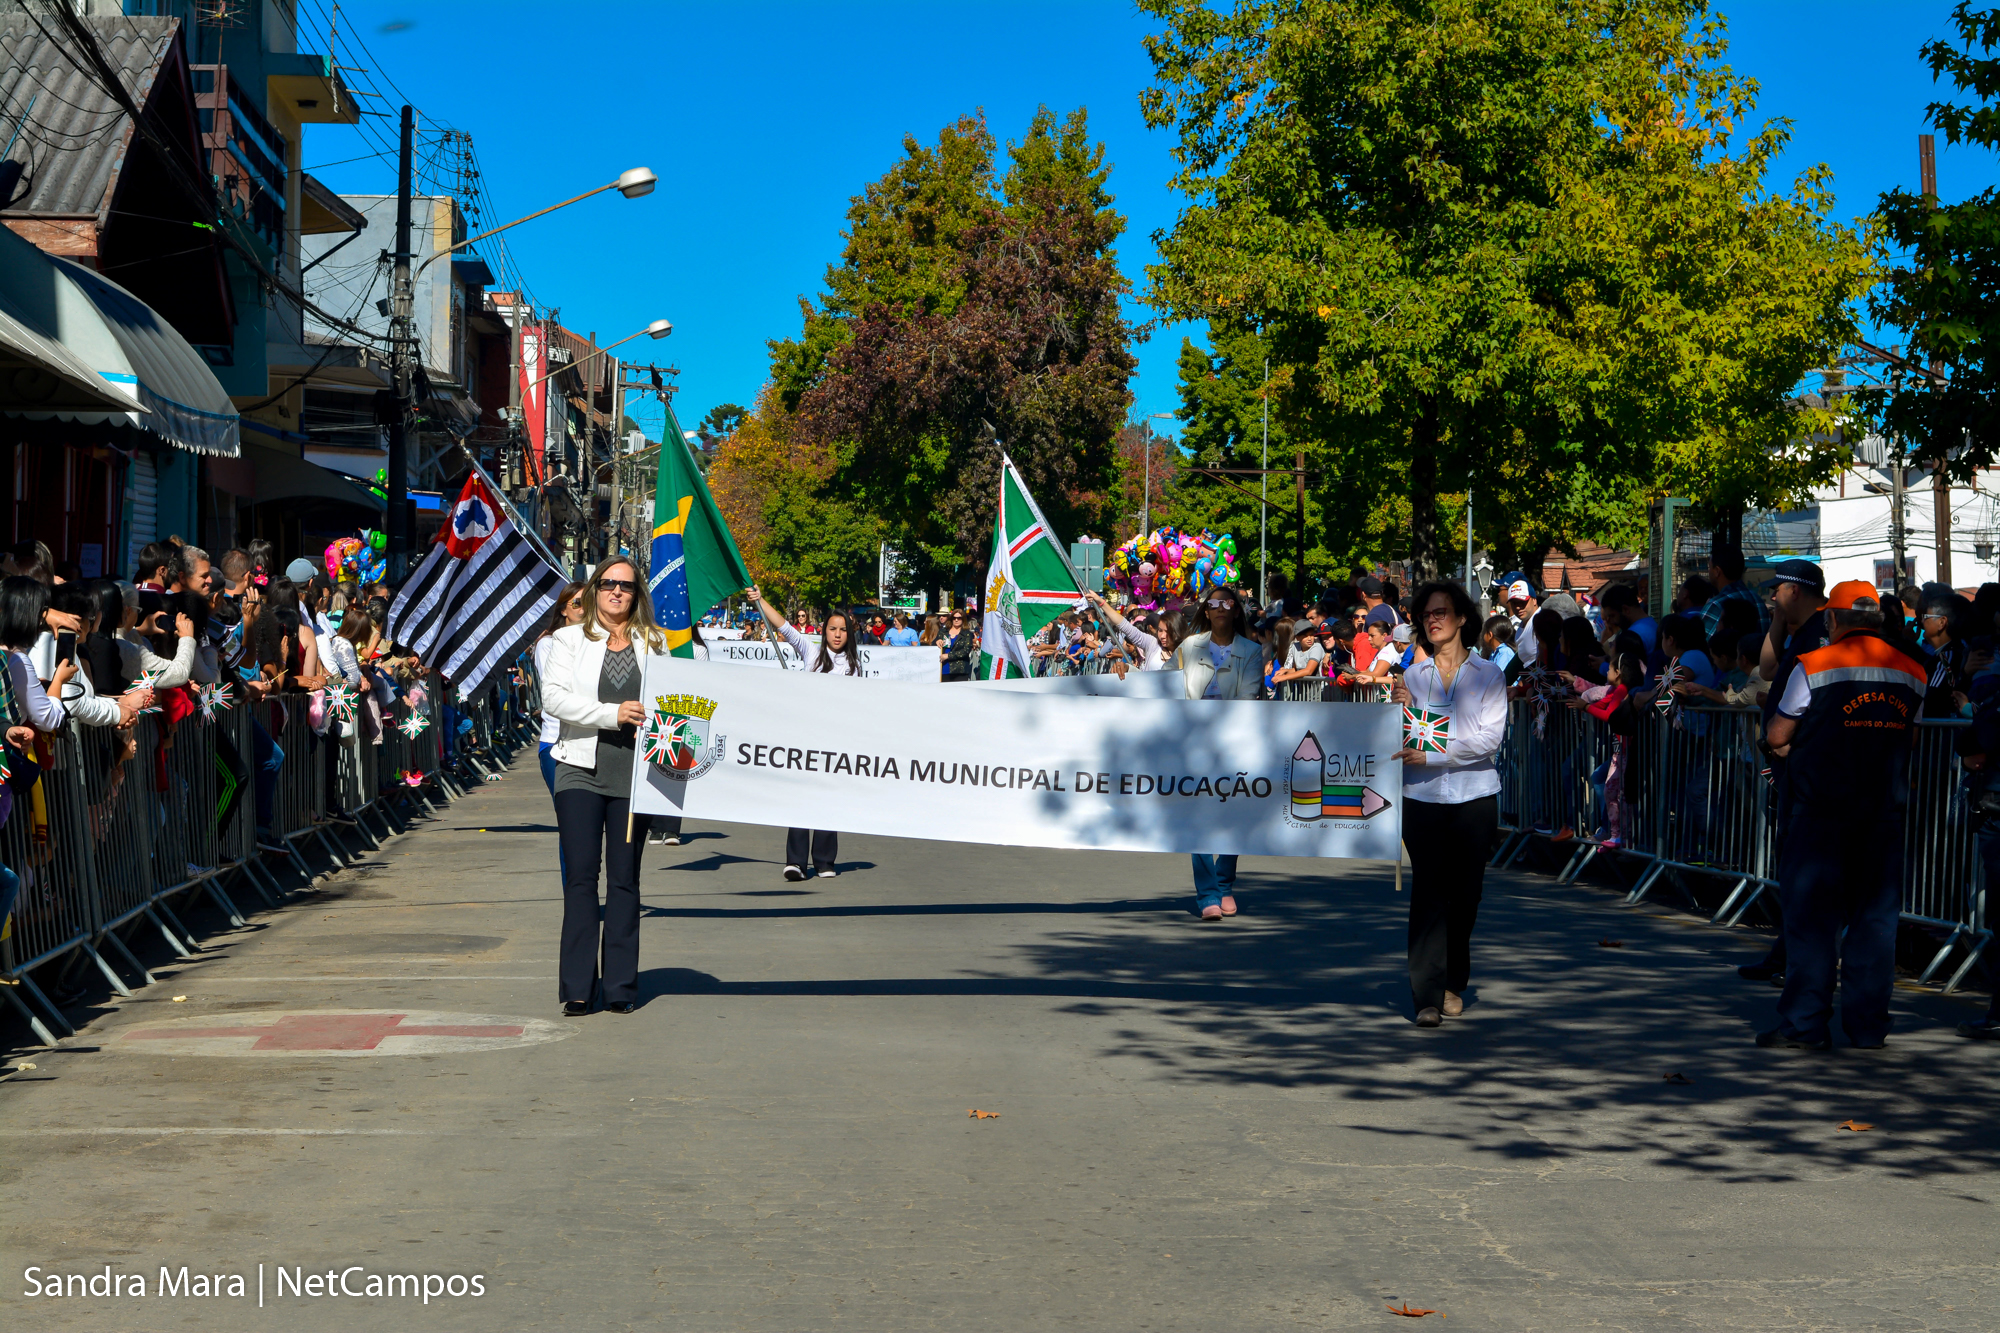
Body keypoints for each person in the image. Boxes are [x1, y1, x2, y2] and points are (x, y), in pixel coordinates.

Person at [1756, 581, 1928, 1050]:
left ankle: (1804, 1025)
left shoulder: (1814, 663)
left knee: (1812, 922)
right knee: (1874, 923)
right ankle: (1868, 1027)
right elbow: (1910, 739)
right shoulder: (1913, 670)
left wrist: (1789, 743)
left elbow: (1777, 735)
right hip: (1882, 814)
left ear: (1832, 619)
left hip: (1821, 812)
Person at [542, 558, 665, 1016]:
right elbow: (553, 698)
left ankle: (619, 987)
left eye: (626, 586)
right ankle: (577, 988)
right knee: (580, 877)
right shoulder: (568, 640)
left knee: (624, 879)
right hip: (578, 770)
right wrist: (611, 715)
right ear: (595, 589)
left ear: (636, 595)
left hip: (635, 777)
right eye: (609, 583)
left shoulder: (655, 643)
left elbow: (675, 699)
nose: (616, 592)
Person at [1391, 581, 1508, 1026]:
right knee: (1428, 892)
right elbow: (1407, 737)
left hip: (1474, 797)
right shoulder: (1412, 677)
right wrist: (1397, 713)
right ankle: (1425, 994)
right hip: (1421, 797)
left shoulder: (1488, 674)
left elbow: (1489, 740)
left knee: (1466, 895)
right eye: (1425, 614)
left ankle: (1453, 981)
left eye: (1440, 612)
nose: (1432, 620)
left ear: (1461, 618)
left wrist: (1434, 754)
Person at [748, 584, 860, 879]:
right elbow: (783, 626)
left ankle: (824, 861)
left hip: (835, 742)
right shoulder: (811, 653)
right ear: (824, 631)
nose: (837, 634)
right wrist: (760, 599)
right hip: (805, 739)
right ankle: (796, 862)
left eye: (843, 630)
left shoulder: (854, 666)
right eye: (832, 629)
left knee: (828, 798)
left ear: (849, 634)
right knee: (800, 797)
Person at [1172, 583, 1264, 919]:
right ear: (1206, 611)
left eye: (1227, 603)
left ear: (1236, 610)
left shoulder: (1252, 652)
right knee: (1197, 820)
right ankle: (1208, 894)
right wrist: (1128, 676)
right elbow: (1163, 684)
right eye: (1213, 604)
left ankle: (1225, 884)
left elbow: (1248, 697)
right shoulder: (1188, 646)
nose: (1220, 608)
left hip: (1233, 746)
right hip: (1192, 744)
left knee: (1232, 818)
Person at [1703, 543, 1771, 641]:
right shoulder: (1758, 601)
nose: (1708, 572)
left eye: (1709, 568)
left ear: (1717, 571)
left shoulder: (1716, 605)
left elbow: (1699, 644)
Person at [939, 609, 979, 682]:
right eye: (954, 618)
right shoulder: (943, 631)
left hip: (960, 670)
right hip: (943, 668)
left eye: (959, 618)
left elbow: (966, 651)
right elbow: (933, 644)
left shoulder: (967, 634)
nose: (956, 620)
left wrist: (948, 656)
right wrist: (937, 641)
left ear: (963, 619)